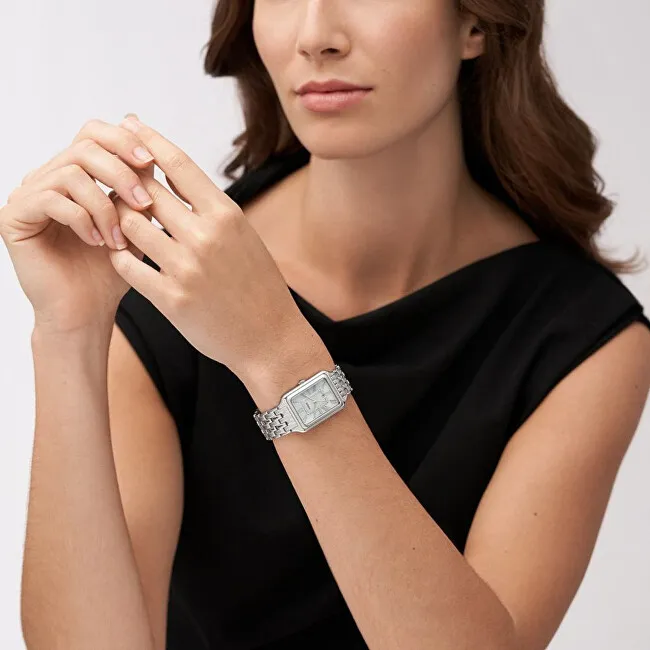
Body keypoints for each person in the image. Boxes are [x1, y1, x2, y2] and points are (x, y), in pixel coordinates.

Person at [5, 1, 650, 649]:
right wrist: (70, 334)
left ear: (475, 23)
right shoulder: (171, 274)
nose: (316, 37)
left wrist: (278, 355)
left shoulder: (582, 337)